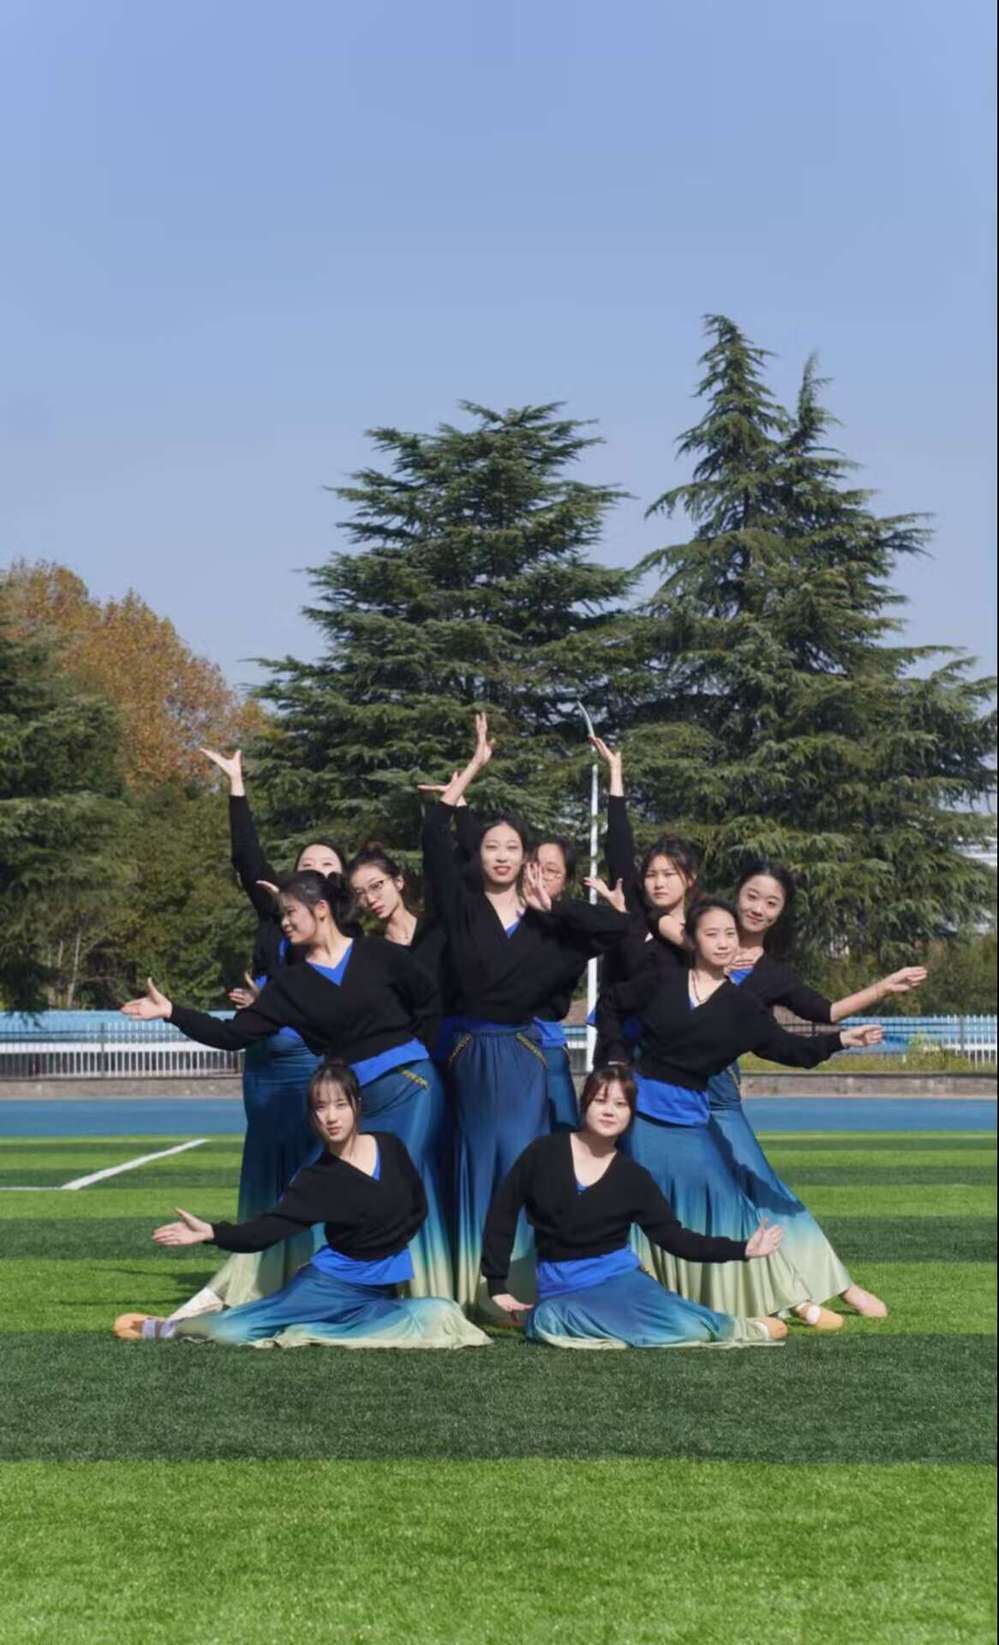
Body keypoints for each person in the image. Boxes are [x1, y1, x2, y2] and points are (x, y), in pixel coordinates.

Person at [121, 869, 453, 1299]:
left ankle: (421, 1294)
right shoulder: (290, 985)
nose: (284, 923)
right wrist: (172, 1012)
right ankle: (338, 1290)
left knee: (398, 1185)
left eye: (291, 912)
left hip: (411, 1087)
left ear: (321, 909)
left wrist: (413, 1051)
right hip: (355, 1100)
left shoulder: (379, 954)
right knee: (319, 1185)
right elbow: (232, 1035)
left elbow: (429, 999)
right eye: (281, 916)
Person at [422, 713, 632, 1311]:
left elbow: (617, 929)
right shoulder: (462, 908)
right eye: (492, 846)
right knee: (472, 1160)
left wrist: (554, 911)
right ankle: (470, 1288)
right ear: (480, 854)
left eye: (512, 848)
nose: (501, 855)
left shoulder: (549, 925)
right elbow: (434, 838)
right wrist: (473, 768)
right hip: (468, 1054)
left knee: (521, 1163)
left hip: (523, 1057)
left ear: (526, 860)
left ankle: (521, 1285)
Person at [598, 898, 884, 1326]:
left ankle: (780, 1298)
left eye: (730, 934)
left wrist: (842, 1040)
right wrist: (616, 1058)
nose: (723, 942)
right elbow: (611, 1003)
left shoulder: (743, 1007)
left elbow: (791, 1049)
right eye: (712, 934)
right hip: (638, 1115)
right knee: (645, 1206)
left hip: (690, 1118)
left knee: (729, 1203)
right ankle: (662, 1300)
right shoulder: (661, 979)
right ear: (692, 940)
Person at [113, 1060, 489, 1351]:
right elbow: (265, 1230)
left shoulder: (389, 1146)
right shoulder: (316, 1180)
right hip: (327, 1287)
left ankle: (308, 1330)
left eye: (340, 1104)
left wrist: (382, 1247)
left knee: (443, 1313)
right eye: (320, 1107)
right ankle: (169, 1327)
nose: (331, 1116)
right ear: (312, 1116)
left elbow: (416, 1207)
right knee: (233, 1332)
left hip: (379, 1292)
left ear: (357, 1105)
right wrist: (212, 1232)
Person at [702, 859, 926, 1319]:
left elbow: (826, 1011)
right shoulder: (695, 941)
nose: (758, 908)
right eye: (752, 896)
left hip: (717, 1089)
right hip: (661, 1084)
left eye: (771, 903)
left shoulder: (772, 975)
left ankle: (836, 1283)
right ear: (736, 893)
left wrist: (883, 987)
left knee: (761, 1184)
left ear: (780, 913)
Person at [179, 747, 348, 1313]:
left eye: (329, 865)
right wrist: (236, 784)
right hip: (263, 1062)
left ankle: (317, 1273)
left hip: (311, 1062)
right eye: (308, 862)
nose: (317, 869)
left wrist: (272, 1000)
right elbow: (247, 855)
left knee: (315, 1164)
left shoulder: (344, 934)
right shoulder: (276, 913)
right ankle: (257, 1273)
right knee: (263, 1164)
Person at [482, 1067, 788, 1349]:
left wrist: (742, 1249)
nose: (609, 1111)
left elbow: (674, 1237)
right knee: (546, 1320)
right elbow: (502, 1213)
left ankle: (736, 1328)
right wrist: (497, 1284)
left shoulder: (633, 1177)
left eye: (620, 1104)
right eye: (601, 1100)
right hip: (562, 1290)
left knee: (682, 1324)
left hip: (619, 1280)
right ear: (584, 1104)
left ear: (630, 1114)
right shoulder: (543, 1153)